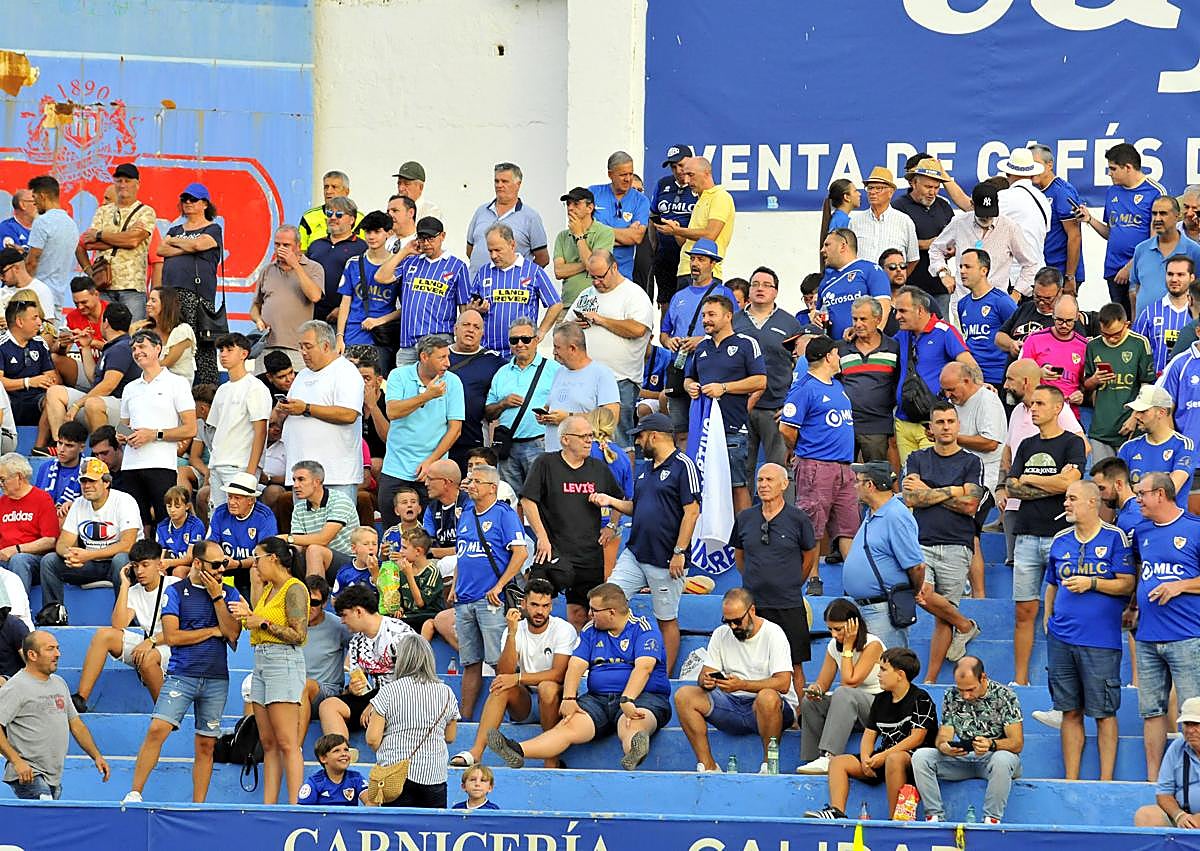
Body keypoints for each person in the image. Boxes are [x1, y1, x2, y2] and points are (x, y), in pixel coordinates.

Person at [487, 582, 671, 772]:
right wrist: (569, 698)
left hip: (642, 697)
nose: (589, 614)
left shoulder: (643, 628)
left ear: (612, 612)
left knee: (632, 722)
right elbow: (576, 665)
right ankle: (517, 750)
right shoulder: (591, 629)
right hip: (598, 700)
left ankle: (634, 750)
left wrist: (627, 699)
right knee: (568, 726)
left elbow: (644, 667)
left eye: (594, 610)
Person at [122, 540, 243, 803]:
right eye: (216, 565)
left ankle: (198, 805)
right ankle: (134, 792)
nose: (222, 570)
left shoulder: (229, 593)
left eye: (224, 563)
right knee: (157, 728)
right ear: (197, 564)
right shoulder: (176, 591)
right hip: (182, 674)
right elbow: (173, 636)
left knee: (206, 744)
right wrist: (212, 631)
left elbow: (233, 635)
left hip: (216, 678)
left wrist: (216, 597)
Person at [1042, 480, 1134, 781]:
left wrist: (1092, 583)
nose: (1066, 503)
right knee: (1068, 710)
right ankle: (1072, 780)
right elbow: (1052, 584)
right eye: (1066, 498)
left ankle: (1105, 781)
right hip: (1061, 638)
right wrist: (1048, 617)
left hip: (1100, 641)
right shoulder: (1060, 539)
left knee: (1104, 713)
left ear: (1093, 502)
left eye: (1072, 498)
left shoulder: (1114, 537)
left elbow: (1127, 583)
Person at [596, 413, 699, 674]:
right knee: (605, 600)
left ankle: (663, 676)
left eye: (640, 437)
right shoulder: (645, 469)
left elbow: (692, 511)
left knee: (666, 619)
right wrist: (611, 501)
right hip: (635, 552)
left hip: (666, 558)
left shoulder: (684, 465)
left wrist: (679, 551)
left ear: (654, 435)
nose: (639, 443)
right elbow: (637, 507)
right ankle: (607, 664)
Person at [1004, 384, 1086, 686]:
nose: (1033, 408)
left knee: (1064, 608)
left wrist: (1030, 479)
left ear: (1057, 407)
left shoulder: (1072, 443)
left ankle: (1064, 677)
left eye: (1039, 403)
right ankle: (1020, 680)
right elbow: (1011, 486)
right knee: (1024, 610)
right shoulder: (1025, 444)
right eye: (1031, 404)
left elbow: (1071, 484)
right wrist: (1049, 483)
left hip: (1060, 536)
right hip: (1025, 535)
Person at [449, 579, 576, 769]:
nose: (540, 611)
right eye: (534, 605)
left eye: (545, 606)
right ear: (523, 604)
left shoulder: (563, 629)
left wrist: (517, 678)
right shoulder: (516, 628)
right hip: (524, 702)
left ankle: (551, 758)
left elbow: (558, 674)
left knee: (547, 687)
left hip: (554, 702)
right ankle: (476, 752)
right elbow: (504, 672)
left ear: (551, 606)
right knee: (501, 686)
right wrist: (511, 633)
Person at [901, 402, 985, 680]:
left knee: (941, 616)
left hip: (957, 544)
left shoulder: (972, 462)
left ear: (958, 425)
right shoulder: (917, 459)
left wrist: (931, 491)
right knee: (921, 594)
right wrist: (954, 491)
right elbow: (912, 498)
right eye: (940, 422)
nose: (946, 427)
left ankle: (930, 679)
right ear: (931, 428)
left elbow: (971, 504)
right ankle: (965, 625)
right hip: (921, 541)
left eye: (951, 421)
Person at [804, 647, 938, 821]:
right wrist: (867, 759)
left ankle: (895, 819)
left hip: (914, 760)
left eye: (883, 669)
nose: (878, 674)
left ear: (900, 674)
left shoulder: (921, 698)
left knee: (894, 759)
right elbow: (869, 734)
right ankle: (837, 811)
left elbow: (917, 737)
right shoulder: (881, 699)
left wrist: (883, 756)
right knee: (837, 762)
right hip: (883, 758)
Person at [675, 588, 797, 773]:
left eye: (737, 621)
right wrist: (705, 681)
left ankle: (769, 765)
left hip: (769, 709)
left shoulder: (774, 633)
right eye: (727, 621)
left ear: (752, 611)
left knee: (767, 697)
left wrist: (744, 685)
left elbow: (783, 683)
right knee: (684, 695)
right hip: (731, 704)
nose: (732, 627)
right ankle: (708, 765)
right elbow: (706, 673)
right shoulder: (720, 634)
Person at [226, 536, 308, 804]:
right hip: (261, 661)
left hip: (282, 661)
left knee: (287, 741)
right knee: (268, 742)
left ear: (273, 558)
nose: (254, 564)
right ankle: (269, 804)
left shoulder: (294, 588)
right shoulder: (268, 588)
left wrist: (262, 623)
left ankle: (295, 804)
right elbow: (260, 622)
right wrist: (249, 615)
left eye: (257, 558)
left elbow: (299, 635)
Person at [1130, 472, 1200, 781]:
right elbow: (1141, 573)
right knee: (1151, 712)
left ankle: (1190, 779)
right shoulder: (1141, 532)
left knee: (1193, 714)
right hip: (1147, 636)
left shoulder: (1194, 529)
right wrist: (1133, 606)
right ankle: (1154, 780)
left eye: (1142, 493)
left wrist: (1180, 586)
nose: (1138, 499)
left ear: (1161, 494)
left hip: (1186, 636)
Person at [522, 417, 622, 630]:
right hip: (552, 550)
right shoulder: (545, 463)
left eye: (591, 436)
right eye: (583, 436)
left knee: (582, 614)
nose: (589, 441)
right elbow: (528, 500)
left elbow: (621, 501)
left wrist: (611, 526)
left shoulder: (598, 468)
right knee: (536, 607)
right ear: (565, 440)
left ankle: (578, 660)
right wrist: (542, 537)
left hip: (588, 554)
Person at [730, 462, 818, 689]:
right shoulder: (745, 518)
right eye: (760, 480)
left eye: (769, 480)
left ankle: (800, 717)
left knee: (795, 665)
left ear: (784, 484)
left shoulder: (798, 519)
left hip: (788, 603)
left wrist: (792, 582)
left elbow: (809, 554)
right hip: (753, 606)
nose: (763, 485)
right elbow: (740, 557)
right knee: (751, 662)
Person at [780, 335, 857, 587]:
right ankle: (812, 578)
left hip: (844, 468)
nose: (839, 358)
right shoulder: (804, 389)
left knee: (848, 527)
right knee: (811, 525)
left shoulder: (836, 385)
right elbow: (786, 428)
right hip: (816, 465)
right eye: (836, 353)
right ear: (827, 357)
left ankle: (855, 581)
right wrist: (802, 450)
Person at [451, 464, 527, 719]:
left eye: (476, 481)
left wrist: (499, 585)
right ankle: (466, 718)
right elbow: (462, 554)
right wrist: (454, 587)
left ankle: (508, 716)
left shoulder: (504, 514)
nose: (470, 485)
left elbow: (521, 552)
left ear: (492, 488)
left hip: (489, 599)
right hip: (464, 600)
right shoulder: (466, 513)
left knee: (498, 662)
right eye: (470, 480)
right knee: (470, 663)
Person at [71, 539, 180, 712]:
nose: (140, 571)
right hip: (149, 645)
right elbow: (118, 624)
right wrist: (124, 585)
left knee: (148, 657)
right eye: (136, 566)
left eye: (145, 565)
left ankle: (166, 714)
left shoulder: (175, 585)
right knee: (103, 635)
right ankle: (80, 699)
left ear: (159, 564)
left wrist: (151, 641)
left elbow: (182, 631)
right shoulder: (134, 591)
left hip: (175, 648)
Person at [911, 657, 1023, 824]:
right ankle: (934, 816)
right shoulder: (951, 695)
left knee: (1003, 759)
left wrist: (992, 744)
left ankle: (991, 819)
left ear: (983, 678)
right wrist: (945, 747)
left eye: (970, 689)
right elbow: (944, 735)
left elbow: (1017, 743)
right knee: (921, 757)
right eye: (961, 689)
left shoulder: (1005, 695)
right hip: (963, 758)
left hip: (993, 759)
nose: (966, 695)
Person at [0, 631, 109, 800]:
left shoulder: (59, 683)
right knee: (46, 819)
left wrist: (96, 756)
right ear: (32, 655)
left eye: (57, 648)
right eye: (50, 649)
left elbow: (76, 725)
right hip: (30, 774)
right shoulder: (16, 687)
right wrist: (17, 761)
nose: (58, 654)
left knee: (42, 825)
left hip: (54, 776)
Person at [684, 294, 766, 513]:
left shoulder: (746, 344)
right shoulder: (701, 348)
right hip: (704, 430)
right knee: (702, 486)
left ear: (728, 316)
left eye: (712, 315)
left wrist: (725, 387)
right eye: (704, 315)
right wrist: (690, 386)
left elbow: (760, 380)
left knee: (737, 486)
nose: (706, 320)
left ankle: (743, 539)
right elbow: (689, 377)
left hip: (732, 429)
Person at [364, 632, 459, 808]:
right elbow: (450, 737)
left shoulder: (388, 691)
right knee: (430, 832)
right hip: (434, 774)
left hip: (394, 775)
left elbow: (372, 739)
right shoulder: (446, 692)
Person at [38, 459, 140, 620]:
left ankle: (127, 619)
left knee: (121, 560)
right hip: (91, 564)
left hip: (122, 564)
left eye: (92, 481)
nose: (86, 485)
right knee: (49, 561)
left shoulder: (124, 501)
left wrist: (87, 555)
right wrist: (71, 555)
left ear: (106, 482)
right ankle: (53, 616)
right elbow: (62, 544)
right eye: (83, 481)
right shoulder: (79, 503)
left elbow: (128, 545)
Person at [840, 461, 926, 650]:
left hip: (882, 609)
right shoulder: (873, 513)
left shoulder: (896, 515)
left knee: (887, 669)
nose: (854, 486)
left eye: (858, 482)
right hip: (866, 608)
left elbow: (917, 566)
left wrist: (913, 592)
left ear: (870, 485)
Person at [117, 329, 198, 531]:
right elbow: (122, 425)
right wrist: (122, 435)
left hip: (161, 464)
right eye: (134, 348)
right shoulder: (130, 387)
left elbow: (190, 428)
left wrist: (153, 435)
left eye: (142, 346)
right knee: (136, 524)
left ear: (158, 349)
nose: (137, 351)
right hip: (130, 465)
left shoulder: (177, 383)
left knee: (165, 521)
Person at [795, 599, 886, 775]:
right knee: (810, 701)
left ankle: (830, 756)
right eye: (830, 629)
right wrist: (816, 689)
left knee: (844, 692)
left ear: (854, 625)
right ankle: (814, 757)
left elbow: (850, 681)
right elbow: (823, 683)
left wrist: (848, 646)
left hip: (878, 707)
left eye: (838, 629)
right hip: (849, 708)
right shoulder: (833, 646)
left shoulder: (872, 644)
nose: (833, 635)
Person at [573, 250, 655, 445]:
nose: (595, 282)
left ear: (614, 268)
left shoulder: (634, 294)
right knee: (588, 438)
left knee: (618, 440)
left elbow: (637, 329)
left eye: (600, 276)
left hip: (620, 379)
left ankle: (622, 476)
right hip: (586, 378)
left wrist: (601, 320)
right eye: (591, 276)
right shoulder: (586, 294)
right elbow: (566, 327)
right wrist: (576, 326)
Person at [380, 333, 464, 523]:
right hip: (396, 469)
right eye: (441, 357)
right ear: (424, 357)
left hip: (434, 472)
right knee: (392, 533)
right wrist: (427, 396)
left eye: (448, 356)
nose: (448, 363)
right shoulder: (398, 375)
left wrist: (431, 463)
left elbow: (455, 429)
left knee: (432, 535)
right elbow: (392, 412)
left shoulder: (453, 382)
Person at [658, 240, 736, 442]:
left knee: (708, 432)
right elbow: (663, 333)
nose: (695, 263)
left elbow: (736, 330)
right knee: (679, 430)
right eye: (692, 259)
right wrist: (670, 342)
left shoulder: (724, 293)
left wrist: (702, 340)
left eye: (701, 259)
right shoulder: (678, 297)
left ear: (713, 264)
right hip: (679, 368)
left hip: (711, 371)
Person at [279, 321, 364, 504]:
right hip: (301, 477)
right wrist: (283, 411)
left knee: (339, 531)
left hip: (335, 476)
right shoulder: (302, 375)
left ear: (326, 345)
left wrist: (307, 408)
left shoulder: (345, 372)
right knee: (304, 530)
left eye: (308, 346)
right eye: (300, 347)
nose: (303, 352)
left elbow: (349, 414)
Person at [1075, 143, 1164, 315]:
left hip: (1140, 270)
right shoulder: (1112, 192)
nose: (1110, 173)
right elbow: (1111, 233)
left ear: (1128, 167)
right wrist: (1089, 219)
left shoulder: (1155, 192)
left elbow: (1156, 240)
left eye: (1113, 169)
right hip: (1113, 270)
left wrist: (1129, 267)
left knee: (1139, 319)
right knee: (1120, 321)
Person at [318, 583, 413, 742]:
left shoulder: (399, 634)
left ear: (359, 611)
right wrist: (352, 689)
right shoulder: (357, 641)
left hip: (403, 697)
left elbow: (413, 680)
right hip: (374, 695)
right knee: (328, 706)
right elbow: (359, 682)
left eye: (344, 615)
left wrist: (378, 703)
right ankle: (341, 752)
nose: (342, 621)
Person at [892, 286, 976, 464]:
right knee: (909, 478)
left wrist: (979, 390)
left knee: (932, 478)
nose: (897, 316)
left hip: (931, 426)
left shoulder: (945, 332)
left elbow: (970, 366)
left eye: (902, 311)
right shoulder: (903, 334)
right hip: (903, 422)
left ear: (920, 310)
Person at [733, 266, 802, 474]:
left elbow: (800, 368)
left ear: (776, 291)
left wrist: (792, 404)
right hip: (739, 407)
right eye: (755, 284)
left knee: (776, 470)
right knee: (741, 471)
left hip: (776, 408)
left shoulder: (790, 323)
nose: (760, 289)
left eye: (766, 285)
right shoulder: (733, 321)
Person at [375, 216, 470, 367]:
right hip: (408, 342)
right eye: (422, 238)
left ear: (442, 236)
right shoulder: (410, 261)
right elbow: (381, 277)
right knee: (407, 388)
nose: (426, 243)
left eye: (431, 238)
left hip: (438, 340)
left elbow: (464, 308)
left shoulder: (457, 266)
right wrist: (405, 251)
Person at [929, 182, 1038, 305]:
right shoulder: (959, 223)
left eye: (990, 213)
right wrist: (943, 273)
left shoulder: (1009, 227)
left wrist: (1017, 293)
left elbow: (1030, 263)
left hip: (996, 305)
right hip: (962, 302)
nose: (986, 217)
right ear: (972, 204)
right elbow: (935, 249)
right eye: (982, 213)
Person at [485, 317, 560, 491]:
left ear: (536, 340)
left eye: (525, 339)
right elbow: (488, 413)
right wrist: (503, 403)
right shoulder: (501, 373)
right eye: (514, 340)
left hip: (540, 443)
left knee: (541, 497)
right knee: (509, 498)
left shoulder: (554, 369)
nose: (520, 344)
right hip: (508, 447)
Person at [157, 182, 221, 384]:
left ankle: (207, 390)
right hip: (171, 293)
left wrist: (179, 243)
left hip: (197, 295)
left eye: (193, 199)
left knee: (202, 345)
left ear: (204, 204)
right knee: (171, 338)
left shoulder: (213, 228)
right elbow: (161, 249)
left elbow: (198, 244)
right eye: (185, 199)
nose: (188, 203)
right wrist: (189, 248)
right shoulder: (176, 228)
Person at [46, 300, 138, 439]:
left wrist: (77, 405)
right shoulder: (114, 346)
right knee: (55, 392)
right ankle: (60, 445)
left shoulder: (122, 347)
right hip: (107, 409)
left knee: (92, 403)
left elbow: (108, 385)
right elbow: (94, 379)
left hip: (124, 423)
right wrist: (86, 347)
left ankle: (104, 452)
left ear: (105, 322)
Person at [468, 223, 563, 353]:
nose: (494, 256)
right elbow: (469, 308)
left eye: (498, 250)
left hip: (521, 351)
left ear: (512, 245)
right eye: (490, 251)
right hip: (488, 351)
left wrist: (541, 332)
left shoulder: (532, 271)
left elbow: (556, 304)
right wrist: (476, 309)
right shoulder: (484, 272)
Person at [79, 163, 156, 319]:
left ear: (137, 184)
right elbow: (88, 243)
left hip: (132, 287)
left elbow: (133, 242)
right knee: (104, 336)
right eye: (119, 180)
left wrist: (100, 235)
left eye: (127, 181)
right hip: (103, 285)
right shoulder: (103, 211)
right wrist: (89, 270)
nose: (122, 185)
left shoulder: (146, 211)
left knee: (133, 336)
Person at [204, 333, 271, 511]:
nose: (223, 354)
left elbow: (261, 431)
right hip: (218, 464)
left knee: (240, 518)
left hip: (240, 465)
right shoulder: (222, 389)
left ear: (244, 353)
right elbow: (214, 431)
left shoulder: (255, 387)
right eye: (221, 350)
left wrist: (251, 471)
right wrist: (211, 466)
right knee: (217, 518)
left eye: (229, 349)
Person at [1083, 303, 1154, 460]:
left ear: (1126, 324)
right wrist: (1094, 380)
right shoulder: (1093, 345)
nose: (1111, 339)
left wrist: (1135, 417)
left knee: (1130, 480)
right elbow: (1085, 385)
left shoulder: (1139, 344)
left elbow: (1147, 385)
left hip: (1130, 427)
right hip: (1101, 429)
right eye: (1105, 334)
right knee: (1101, 480)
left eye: (1116, 334)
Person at [250, 226, 324, 374]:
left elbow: (315, 296)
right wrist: (258, 320)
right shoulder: (267, 270)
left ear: (298, 246)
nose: (280, 249)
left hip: (297, 348)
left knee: (294, 391)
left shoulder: (313, 268)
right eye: (277, 244)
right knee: (264, 390)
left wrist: (295, 265)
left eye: (286, 245)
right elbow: (255, 306)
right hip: (267, 346)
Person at [538, 323, 620, 454]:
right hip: (553, 455)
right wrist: (546, 415)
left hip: (584, 459)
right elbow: (551, 405)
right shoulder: (559, 372)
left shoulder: (602, 374)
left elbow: (611, 418)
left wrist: (568, 418)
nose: (554, 352)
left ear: (572, 348)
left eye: (557, 347)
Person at [836, 297, 899, 464]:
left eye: (863, 319)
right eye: (855, 319)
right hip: (845, 425)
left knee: (876, 477)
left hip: (877, 425)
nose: (858, 324)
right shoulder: (841, 349)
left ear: (877, 320)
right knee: (842, 477)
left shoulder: (894, 348)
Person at [334, 210, 400, 366]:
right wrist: (339, 337)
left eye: (377, 232)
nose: (371, 236)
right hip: (353, 335)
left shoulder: (398, 266)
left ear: (388, 233)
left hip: (381, 339)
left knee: (377, 385)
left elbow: (406, 307)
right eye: (368, 232)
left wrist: (379, 321)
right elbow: (345, 303)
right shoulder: (353, 263)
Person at [654, 156, 735, 283]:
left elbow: (710, 235)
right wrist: (675, 229)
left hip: (706, 273)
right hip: (685, 270)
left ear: (706, 173)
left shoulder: (720, 196)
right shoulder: (700, 199)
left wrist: (677, 230)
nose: (686, 180)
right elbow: (685, 244)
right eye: (685, 175)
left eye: (691, 175)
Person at [892, 157, 957, 309]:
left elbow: (954, 236)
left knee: (940, 329)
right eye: (928, 187)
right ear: (914, 183)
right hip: (909, 286)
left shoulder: (943, 206)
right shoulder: (898, 207)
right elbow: (895, 245)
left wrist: (953, 249)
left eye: (936, 187)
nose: (932, 192)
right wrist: (929, 244)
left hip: (939, 286)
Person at [465, 162, 550, 276]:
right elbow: (470, 250)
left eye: (504, 181)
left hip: (509, 290)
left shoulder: (530, 217)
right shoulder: (481, 211)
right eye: (496, 181)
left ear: (518, 184)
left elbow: (542, 258)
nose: (499, 185)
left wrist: (521, 279)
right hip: (476, 286)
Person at [205, 471, 279, 597]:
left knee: (256, 570)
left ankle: (257, 614)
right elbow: (209, 544)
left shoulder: (265, 516)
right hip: (225, 567)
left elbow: (264, 556)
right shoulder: (220, 513)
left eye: (237, 498)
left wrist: (238, 564)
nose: (231, 502)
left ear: (250, 500)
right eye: (230, 497)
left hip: (251, 567)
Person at [1119, 385, 1194, 509]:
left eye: (1143, 411)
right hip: (1132, 523)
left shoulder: (1184, 446)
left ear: (1161, 412)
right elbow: (1119, 493)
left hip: (1168, 525)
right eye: (1136, 411)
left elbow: (1169, 491)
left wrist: (1136, 488)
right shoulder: (1128, 448)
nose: (1136, 416)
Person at [447, 309, 504, 470]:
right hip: (439, 440)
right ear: (455, 328)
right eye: (466, 325)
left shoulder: (494, 360)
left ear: (482, 333)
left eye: (476, 327)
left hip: (474, 441)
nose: (471, 330)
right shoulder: (440, 355)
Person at [288, 460, 359, 581]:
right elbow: (298, 547)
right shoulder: (299, 507)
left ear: (316, 482)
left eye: (301, 479)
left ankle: (316, 598)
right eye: (294, 480)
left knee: (314, 549)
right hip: (314, 560)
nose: (295, 485)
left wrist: (287, 538)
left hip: (350, 563)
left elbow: (324, 539)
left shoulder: (340, 500)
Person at [1128, 197, 1200, 316]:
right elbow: (1135, 289)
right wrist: (1135, 323)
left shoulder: (1194, 251)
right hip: (1145, 328)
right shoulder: (1141, 249)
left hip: (1179, 328)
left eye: (1163, 214)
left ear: (1177, 216)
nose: (1157, 219)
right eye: (1154, 213)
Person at [1134, 698, 1200, 827]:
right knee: (1146, 815)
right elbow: (1164, 793)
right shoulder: (1177, 747)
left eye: (1196, 724)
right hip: (1185, 817)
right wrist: (1179, 816)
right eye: (1187, 724)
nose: (1190, 730)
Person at [815, 228, 891, 340]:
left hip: (863, 348)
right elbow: (819, 314)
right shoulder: (825, 281)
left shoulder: (870, 270)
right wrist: (815, 319)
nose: (822, 250)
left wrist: (870, 341)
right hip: (835, 351)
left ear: (842, 246)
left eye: (827, 245)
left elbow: (883, 307)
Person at [955, 249, 1016, 387]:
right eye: (960, 267)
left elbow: (1018, 334)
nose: (962, 271)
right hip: (972, 378)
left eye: (968, 267)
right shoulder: (962, 304)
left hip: (998, 377)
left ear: (984, 270)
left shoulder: (1002, 301)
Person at [1028, 145, 1085, 291]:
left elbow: (1074, 236)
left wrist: (1070, 277)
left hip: (1060, 273)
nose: (1032, 169)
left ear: (1049, 165)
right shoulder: (1032, 191)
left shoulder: (1062, 192)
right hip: (1041, 271)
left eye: (1036, 164)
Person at [1019, 294, 1089, 414]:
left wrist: (1081, 395)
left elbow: (1086, 383)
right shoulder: (1034, 340)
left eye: (1069, 321)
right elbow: (1018, 375)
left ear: (1077, 317)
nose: (1064, 325)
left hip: (1069, 412)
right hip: (1037, 411)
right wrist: (1038, 373)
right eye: (1059, 320)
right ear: (1053, 315)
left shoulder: (1084, 345)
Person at [0, 453, 58, 597]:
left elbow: (50, 540)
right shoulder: (2, 502)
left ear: (18, 477)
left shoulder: (42, 499)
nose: (0, 484)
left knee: (19, 560)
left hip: (32, 560)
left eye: (2, 480)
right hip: (3, 558)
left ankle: (17, 613)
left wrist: (17, 549)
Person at [588, 152, 650, 283]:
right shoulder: (593, 193)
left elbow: (636, 237)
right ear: (610, 174)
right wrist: (625, 234)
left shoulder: (641, 200)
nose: (628, 179)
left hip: (623, 277)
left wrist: (599, 231)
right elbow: (584, 233)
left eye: (631, 173)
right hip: (592, 276)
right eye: (623, 175)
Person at [298, 576, 349, 734]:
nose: (308, 607)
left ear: (325, 603)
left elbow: (363, 645)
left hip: (326, 691)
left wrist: (354, 678)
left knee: (305, 685)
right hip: (293, 689)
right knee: (252, 685)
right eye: (304, 601)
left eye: (314, 603)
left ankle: (296, 748)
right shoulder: (291, 624)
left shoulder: (339, 626)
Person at [849, 166, 918, 280]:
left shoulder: (904, 221)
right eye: (870, 188)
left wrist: (896, 281)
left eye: (878, 188)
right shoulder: (855, 221)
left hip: (891, 289)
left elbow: (913, 259)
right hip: (862, 285)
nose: (872, 192)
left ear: (891, 192)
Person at [305, 195, 366, 324]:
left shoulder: (362, 248)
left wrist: (344, 308)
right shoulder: (316, 245)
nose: (332, 218)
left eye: (339, 214)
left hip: (343, 318)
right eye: (329, 213)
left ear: (351, 220)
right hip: (312, 316)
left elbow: (365, 285)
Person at [650, 144, 697, 310]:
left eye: (681, 165)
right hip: (665, 256)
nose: (678, 170)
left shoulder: (699, 187)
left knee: (688, 306)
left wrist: (678, 231)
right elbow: (652, 215)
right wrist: (653, 246)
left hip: (689, 256)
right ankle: (665, 336)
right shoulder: (663, 184)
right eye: (673, 166)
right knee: (666, 305)